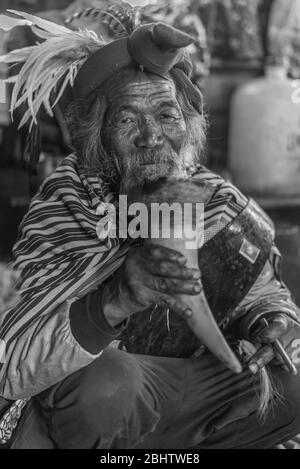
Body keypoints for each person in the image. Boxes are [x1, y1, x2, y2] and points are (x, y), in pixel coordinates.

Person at [0, 8, 300, 449]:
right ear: (94, 137)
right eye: (126, 120)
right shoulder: (64, 208)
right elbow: (13, 368)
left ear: (190, 128)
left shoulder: (214, 199)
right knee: (107, 384)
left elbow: (260, 291)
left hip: (194, 390)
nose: (150, 136)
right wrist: (115, 299)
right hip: (113, 396)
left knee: (291, 379)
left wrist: (271, 321)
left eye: (166, 115)